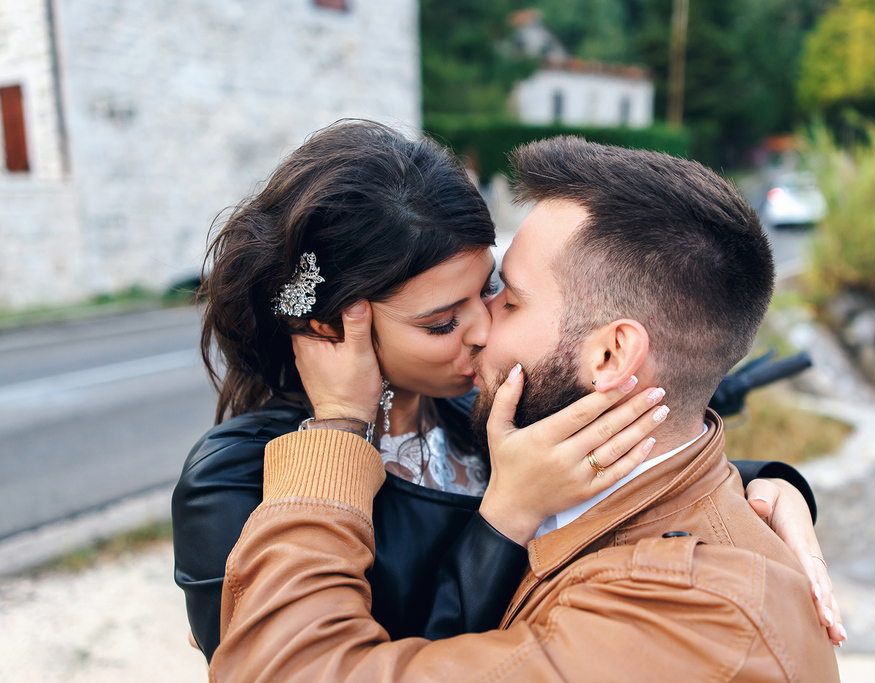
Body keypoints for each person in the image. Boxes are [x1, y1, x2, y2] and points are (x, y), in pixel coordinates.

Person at [172, 121, 834, 661]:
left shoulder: (486, 414)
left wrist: (769, 487)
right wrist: (495, 511)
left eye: (493, 291)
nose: (483, 328)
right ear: (326, 327)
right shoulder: (234, 481)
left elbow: (619, 476)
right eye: (441, 321)